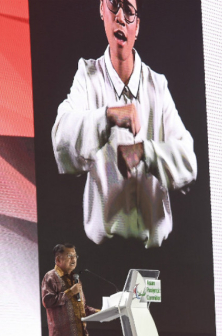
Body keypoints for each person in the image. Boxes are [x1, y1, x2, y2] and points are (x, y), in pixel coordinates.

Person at [52, 0, 197, 248]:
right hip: (104, 257)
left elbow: (188, 163)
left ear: (137, 27)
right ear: (101, 9)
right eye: (114, 5)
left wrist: (144, 152)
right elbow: (61, 142)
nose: (120, 17)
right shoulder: (88, 76)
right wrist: (107, 116)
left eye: (128, 11)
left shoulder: (157, 86)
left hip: (157, 259)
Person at [41, 243, 99, 336]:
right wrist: (70, 292)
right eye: (69, 256)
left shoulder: (75, 278)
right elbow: (48, 301)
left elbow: (82, 307)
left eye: (75, 256)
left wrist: (99, 312)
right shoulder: (51, 276)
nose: (74, 259)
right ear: (58, 260)